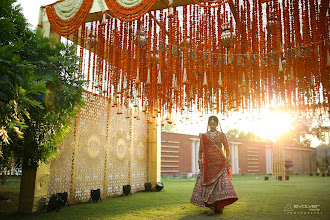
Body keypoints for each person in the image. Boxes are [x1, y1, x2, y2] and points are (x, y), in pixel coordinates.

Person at [190, 115, 238, 216]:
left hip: (220, 163)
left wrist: (228, 158)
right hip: (208, 165)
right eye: (210, 124)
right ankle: (212, 206)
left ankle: (220, 205)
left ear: (217, 124)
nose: (212, 126)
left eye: (214, 124)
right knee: (210, 186)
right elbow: (200, 150)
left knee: (222, 184)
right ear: (208, 124)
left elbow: (227, 149)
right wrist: (200, 159)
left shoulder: (221, 135)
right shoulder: (204, 136)